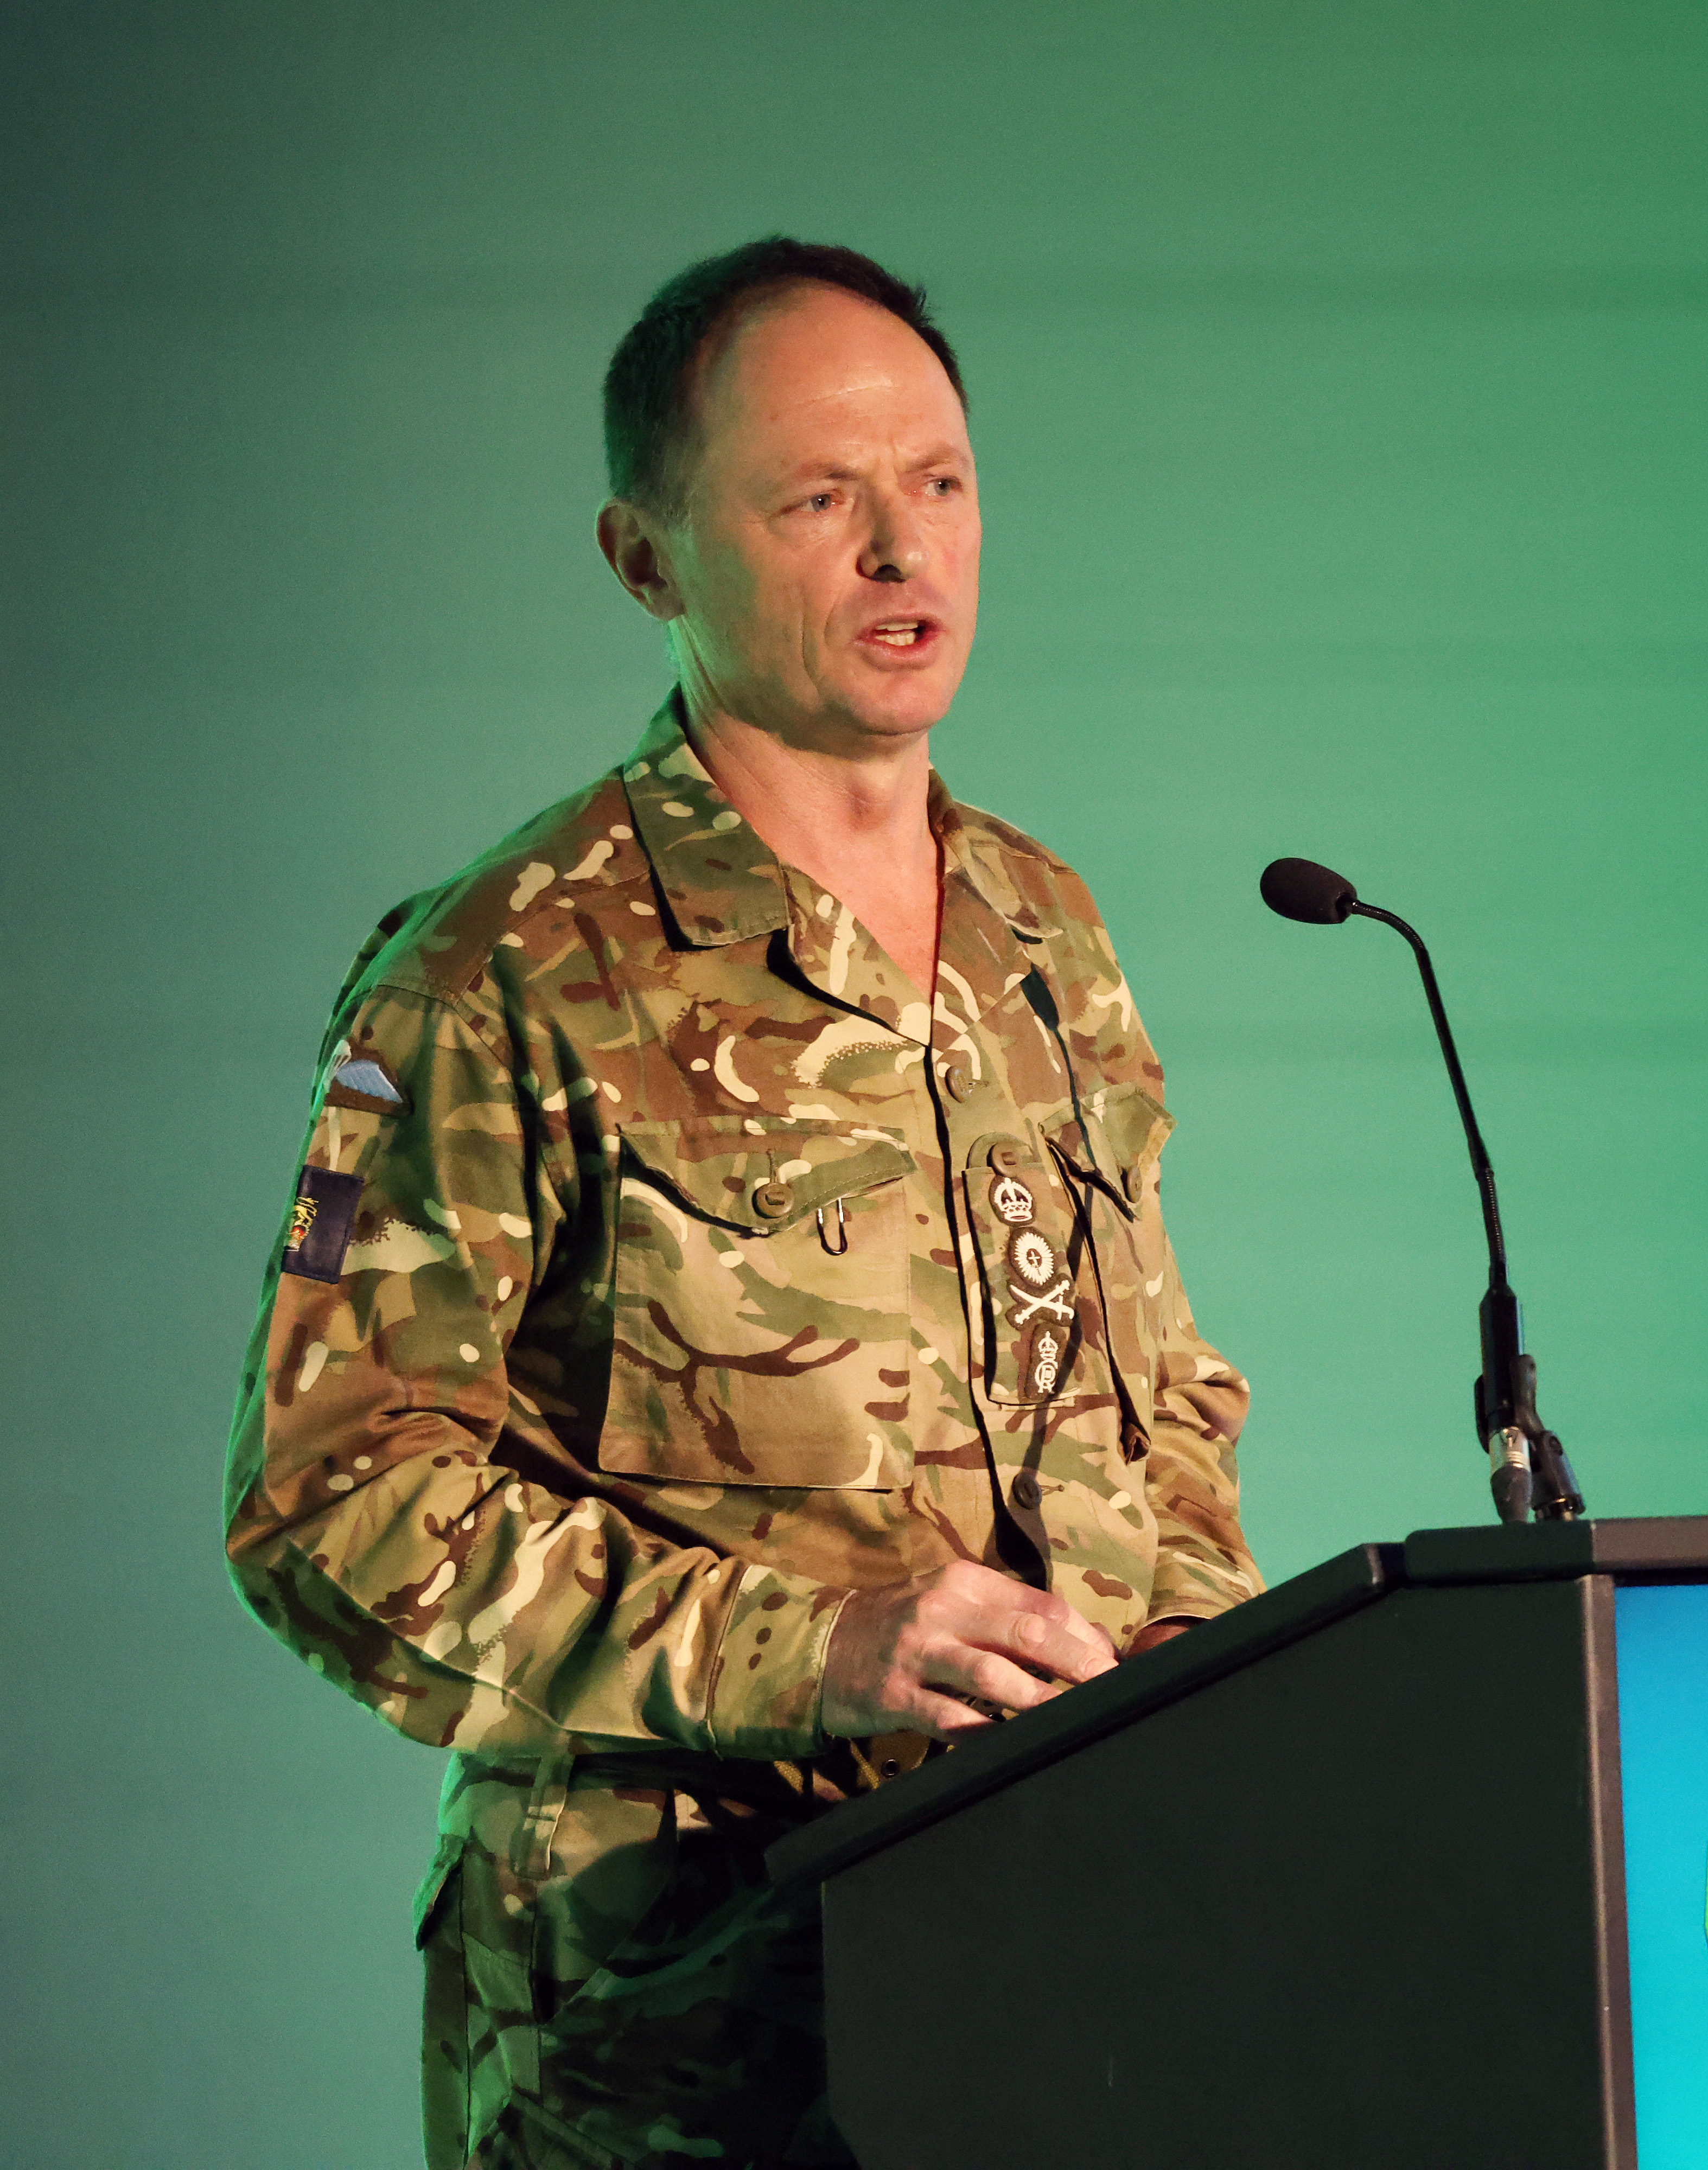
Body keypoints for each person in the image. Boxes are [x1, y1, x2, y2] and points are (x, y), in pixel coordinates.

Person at [221, 238, 1261, 2169]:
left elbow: (1162, 1408)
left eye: (939, 484)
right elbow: (329, 1503)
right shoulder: (494, 973)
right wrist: (815, 1649)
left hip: (1063, 1976)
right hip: (677, 2033)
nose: (903, 550)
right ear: (647, 560)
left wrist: (1229, 1691)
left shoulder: (1044, 928)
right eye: (817, 501)